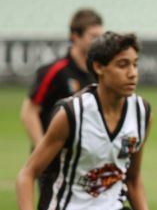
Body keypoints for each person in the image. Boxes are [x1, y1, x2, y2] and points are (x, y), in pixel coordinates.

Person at [16, 31, 157, 210]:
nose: (132, 73)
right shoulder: (72, 114)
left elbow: (133, 178)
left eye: (135, 64)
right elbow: (27, 174)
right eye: (122, 65)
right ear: (99, 67)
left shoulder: (142, 113)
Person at [21, 8, 104, 150]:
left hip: (81, 160)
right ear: (75, 36)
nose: (99, 42)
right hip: (53, 161)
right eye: (93, 37)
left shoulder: (99, 72)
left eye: (101, 37)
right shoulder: (56, 71)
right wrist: (42, 149)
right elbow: (29, 111)